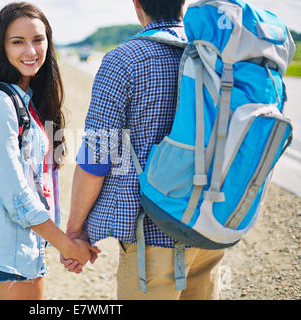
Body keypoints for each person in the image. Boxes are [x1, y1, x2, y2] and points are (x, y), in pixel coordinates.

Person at [61, 0, 225, 300]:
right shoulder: (213, 54)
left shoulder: (123, 60)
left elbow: (97, 158)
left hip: (155, 234)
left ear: (137, 3)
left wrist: (75, 231)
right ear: (183, 2)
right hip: (211, 228)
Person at [0, 2, 100, 300]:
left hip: (25, 247)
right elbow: (17, 197)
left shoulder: (25, 99)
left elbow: (39, 184)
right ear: (1, 47)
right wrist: (68, 247)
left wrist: (61, 241)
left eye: (38, 40)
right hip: (14, 252)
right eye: (18, 42)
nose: (31, 51)